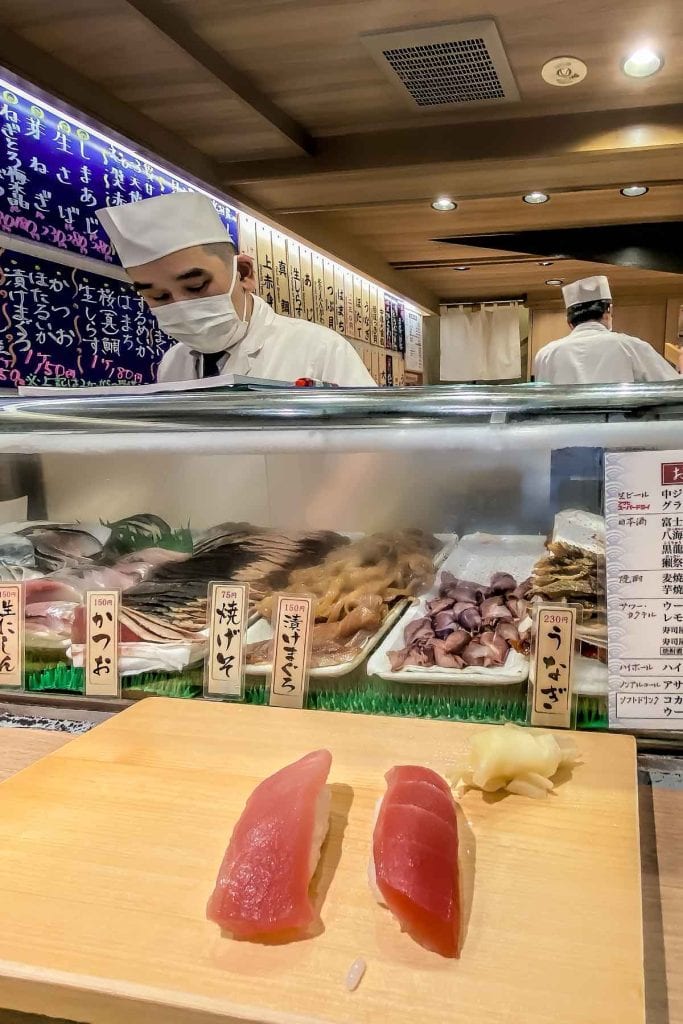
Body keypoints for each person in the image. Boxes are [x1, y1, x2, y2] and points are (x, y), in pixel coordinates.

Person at [96, 193, 376, 386]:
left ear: (244, 274)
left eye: (196, 286)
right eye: (158, 297)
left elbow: (371, 449)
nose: (181, 305)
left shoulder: (319, 349)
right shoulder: (173, 363)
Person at [533, 275, 679, 385]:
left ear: (569, 322)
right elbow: (674, 389)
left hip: (563, 425)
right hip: (619, 425)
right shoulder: (630, 346)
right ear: (608, 312)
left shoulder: (546, 354)